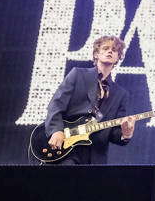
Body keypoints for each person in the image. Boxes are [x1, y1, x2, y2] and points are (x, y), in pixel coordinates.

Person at [44, 35, 135, 164]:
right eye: (105, 48)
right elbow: (56, 105)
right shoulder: (78, 74)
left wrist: (126, 134)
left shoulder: (121, 94)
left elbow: (114, 134)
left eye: (114, 50)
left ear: (118, 58)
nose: (110, 51)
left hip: (95, 156)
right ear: (96, 54)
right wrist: (56, 131)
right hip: (66, 147)